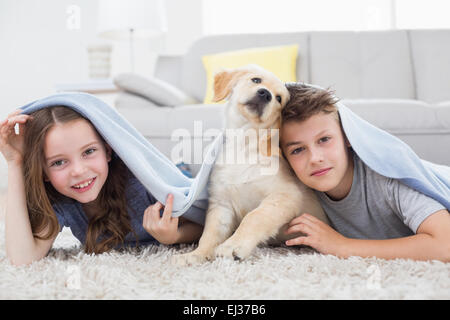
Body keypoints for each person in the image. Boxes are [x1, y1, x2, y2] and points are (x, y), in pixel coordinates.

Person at [0, 106, 203, 266]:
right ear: (43, 171)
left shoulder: (146, 186)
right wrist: (14, 162)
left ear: (108, 151)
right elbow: (22, 259)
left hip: (171, 174)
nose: (78, 171)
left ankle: (181, 165)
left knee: (182, 174)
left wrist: (175, 236)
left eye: (88, 152)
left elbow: (205, 222)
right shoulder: (60, 200)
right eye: (58, 162)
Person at [280, 82, 450, 262]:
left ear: (347, 136)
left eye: (324, 139)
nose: (315, 158)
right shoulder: (295, 190)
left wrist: (342, 246)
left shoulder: (388, 177)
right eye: (297, 150)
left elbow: (445, 244)